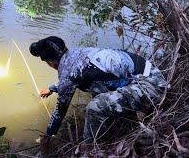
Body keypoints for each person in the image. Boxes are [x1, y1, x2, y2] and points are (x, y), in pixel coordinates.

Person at [29, 36, 167, 145]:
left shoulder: (68, 73)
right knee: (95, 88)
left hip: (152, 87)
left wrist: (48, 134)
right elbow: (71, 79)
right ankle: (128, 112)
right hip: (152, 75)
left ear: (51, 62)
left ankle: (89, 147)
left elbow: (60, 111)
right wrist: (52, 88)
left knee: (94, 107)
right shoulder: (77, 53)